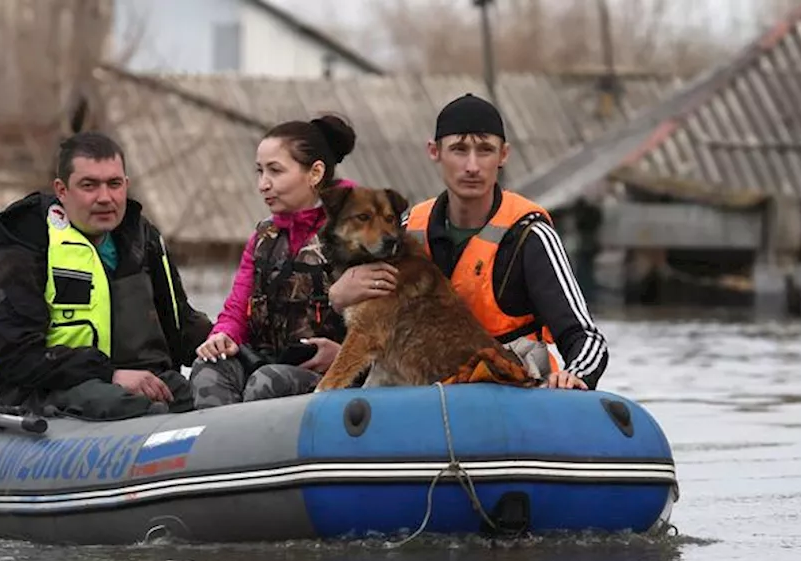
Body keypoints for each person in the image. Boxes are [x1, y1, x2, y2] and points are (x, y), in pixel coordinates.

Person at [328, 93, 609, 390]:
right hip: (423, 386)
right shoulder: (406, 230)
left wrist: (575, 373)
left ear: (503, 155)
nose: (472, 166)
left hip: (511, 385)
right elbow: (367, 326)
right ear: (435, 152)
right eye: (459, 150)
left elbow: (585, 336)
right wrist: (337, 297)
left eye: (485, 150)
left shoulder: (530, 235)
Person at [0, 131, 213, 419]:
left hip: (135, 384)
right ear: (62, 190)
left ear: (126, 185)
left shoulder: (143, 241)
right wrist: (109, 373)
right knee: (126, 406)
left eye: (114, 184)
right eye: (89, 185)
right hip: (42, 392)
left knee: (206, 395)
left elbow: (181, 326)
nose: (105, 198)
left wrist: (228, 341)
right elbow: (15, 358)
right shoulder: (22, 246)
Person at [189, 115, 358, 408]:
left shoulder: (357, 232)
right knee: (208, 371)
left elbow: (385, 318)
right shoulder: (264, 236)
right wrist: (223, 336)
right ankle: (222, 452)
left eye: (275, 171)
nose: (262, 185)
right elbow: (237, 308)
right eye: (260, 171)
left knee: (266, 383)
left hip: (334, 372)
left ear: (315, 173)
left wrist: (345, 355)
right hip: (269, 361)